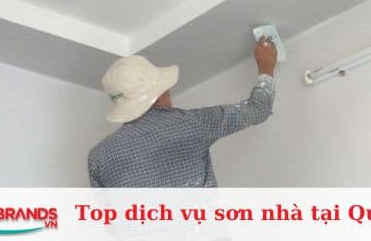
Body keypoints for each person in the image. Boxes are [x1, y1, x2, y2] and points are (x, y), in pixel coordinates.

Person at [87, 36, 278, 187]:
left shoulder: (99, 157)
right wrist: (266, 67)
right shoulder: (189, 125)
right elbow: (258, 109)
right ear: (159, 95)